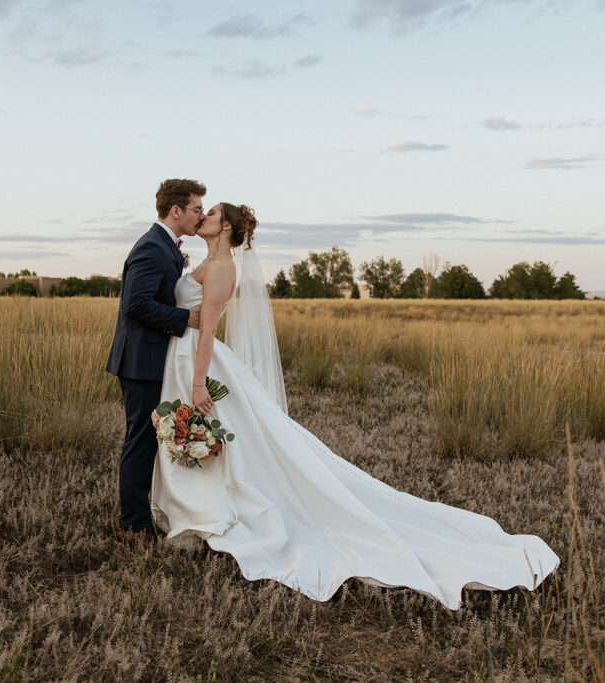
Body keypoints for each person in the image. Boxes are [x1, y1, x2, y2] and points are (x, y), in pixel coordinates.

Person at [147, 201, 560, 609]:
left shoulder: (221, 269)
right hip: (181, 359)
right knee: (209, 437)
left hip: (199, 364)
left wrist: (200, 382)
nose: (204, 217)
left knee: (217, 435)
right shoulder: (203, 262)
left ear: (226, 229)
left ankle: (205, 510)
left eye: (213, 214)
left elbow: (209, 331)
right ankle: (193, 505)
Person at [105, 178, 206, 547]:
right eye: (196, 209)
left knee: (151, 439)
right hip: (140, 362)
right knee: (141, 440)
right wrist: (185, 319)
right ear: (175, 210)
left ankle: (151, 513)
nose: (200, 215)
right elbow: (135, 304)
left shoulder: (167, 246)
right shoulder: (151, 247)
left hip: (154, 359)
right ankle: (132, 526)